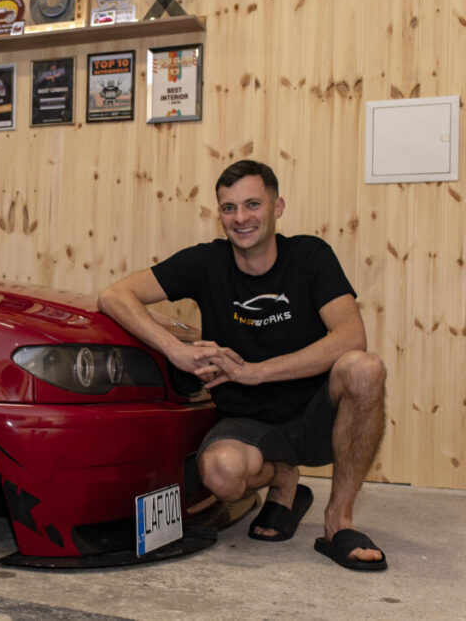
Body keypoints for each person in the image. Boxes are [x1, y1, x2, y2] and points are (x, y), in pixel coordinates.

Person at [97, 160, 388, 571]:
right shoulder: (206, 262)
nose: (241, 217)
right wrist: (175, 350)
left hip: (316, 417)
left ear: (277, 207)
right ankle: (283, 479)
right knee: (219, 473)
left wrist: (255, 371)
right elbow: (114, 295)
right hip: (248, 421)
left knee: (364, 368)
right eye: (229, 208)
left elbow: (351, 337)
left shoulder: (310, 255)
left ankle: (338, 522)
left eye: (253, 204)